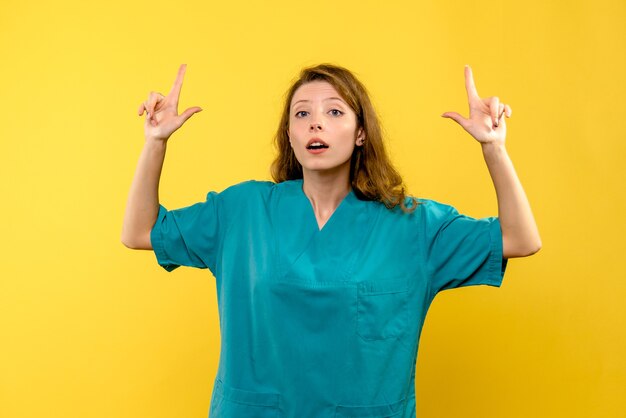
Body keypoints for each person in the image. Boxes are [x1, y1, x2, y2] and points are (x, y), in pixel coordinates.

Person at [121, 63, 541, 418]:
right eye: (301, 115)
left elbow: (520, 239)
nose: (316, 122)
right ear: (290, 135)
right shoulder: (242, 212)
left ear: (361, 133)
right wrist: (155, 143)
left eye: (335, 112)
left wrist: (494, 148)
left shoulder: (414, 226)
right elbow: (140, 232)